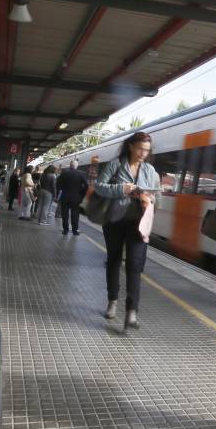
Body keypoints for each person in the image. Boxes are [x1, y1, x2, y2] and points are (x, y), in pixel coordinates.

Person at [94, 132, 161, 330]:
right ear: (131, 146)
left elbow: (157, 196)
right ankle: (112, 300)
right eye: (140, 148)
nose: (143, 153)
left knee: (135, 265)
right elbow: (99, 187)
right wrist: (122, 189)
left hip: (139, 222)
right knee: (114, 259)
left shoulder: (150, 170)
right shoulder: (115, 164)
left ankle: (132, 311)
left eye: (147, 150)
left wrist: (149, 199)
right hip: (115, 220)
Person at [56, 159, 89, 235]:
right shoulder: (81, 174)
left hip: (65, 197)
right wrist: (82, 194)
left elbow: (58, 184)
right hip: (76, 198)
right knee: (75, 215)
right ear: (76, 166)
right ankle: (75, 230)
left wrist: (60, 191)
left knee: (65, 214)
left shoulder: (64, 173)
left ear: (70, 165)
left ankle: (65, 230)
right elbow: (86, 186)